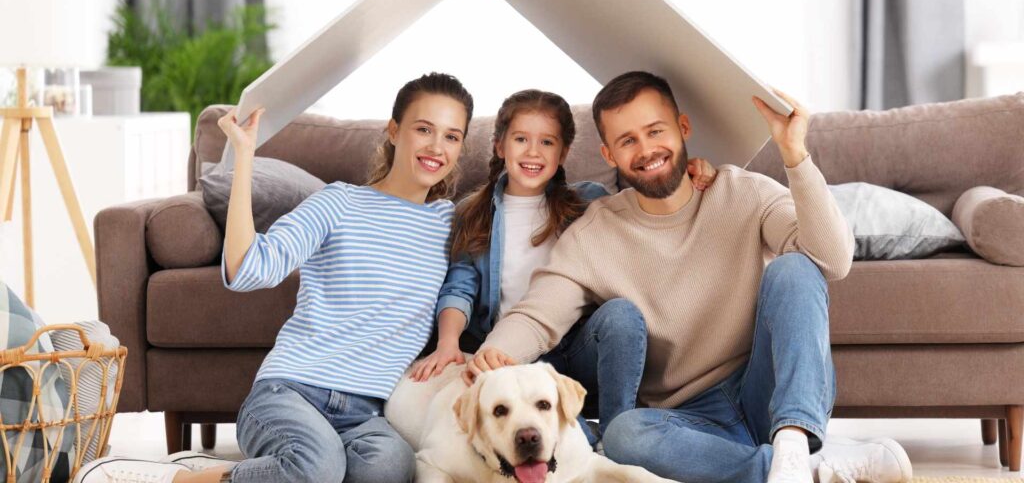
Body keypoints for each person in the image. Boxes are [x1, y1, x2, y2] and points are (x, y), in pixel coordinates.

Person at [465, 71, 913, 483]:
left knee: (796, 267)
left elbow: (832, 261)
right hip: (683, 418)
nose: (645, 150)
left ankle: (794, 446)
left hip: (761, 388)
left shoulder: (745, 192)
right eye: (627, 141)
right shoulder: (593, 233)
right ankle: (804, 470)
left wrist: (795, 155)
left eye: (655, 131)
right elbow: (539, 314)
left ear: (682, 128)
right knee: (623, 436)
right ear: (609, 154)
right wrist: (491, 355)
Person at [76, 73, 475, 483]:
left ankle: (240, 474)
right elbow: (249, 268)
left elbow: (465, 285)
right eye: (424, 129)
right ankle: (171, 480)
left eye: (451, 136)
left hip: (367, 413)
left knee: (390, 469)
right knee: (317, 467)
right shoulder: (340, 202)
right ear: (394, 131)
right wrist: (244, 156)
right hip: (290, 392)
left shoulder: (451, 223)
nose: (436, 147)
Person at [409, 89, 717, 445]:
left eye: (547, 142)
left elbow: (649, 197)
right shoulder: (471, 212)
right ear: (499, 146)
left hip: (581, 346)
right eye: (521, 139)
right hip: (518, 356)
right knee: (574, 444)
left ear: (564, 152)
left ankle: (622, 431)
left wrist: (692, 169)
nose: (533, 152)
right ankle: (589, 439)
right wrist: (448, 343)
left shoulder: (589, 201)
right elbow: (459, 288)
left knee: (621, 314)